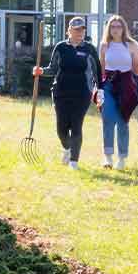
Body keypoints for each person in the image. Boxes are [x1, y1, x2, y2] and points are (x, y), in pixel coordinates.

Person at [37, 17, 99, 170]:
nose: (79, 33)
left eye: (82, 30)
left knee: (76, 126)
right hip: (61, 92)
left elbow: (98, 70)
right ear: (69, 31)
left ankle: (74, 162)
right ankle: (66, 149)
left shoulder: (89, 49)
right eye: (76, 30)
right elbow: (52, 68)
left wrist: (100, 89)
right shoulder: (61, 47)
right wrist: (40, 71)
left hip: (82, 93)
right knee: (61, 128)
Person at [96, 15, 138, 170]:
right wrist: (99, 89)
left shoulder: (132, 45)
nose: (116, 29)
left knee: (123, 121)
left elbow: (137, 70)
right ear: (109, 29)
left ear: (124, 29)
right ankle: (108, 156)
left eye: (119, 26)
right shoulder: (104, 45)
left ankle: (122, 158)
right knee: (108, 118)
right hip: (108, 85)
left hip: (126, 85)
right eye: (113, 26)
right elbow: (101, 69)